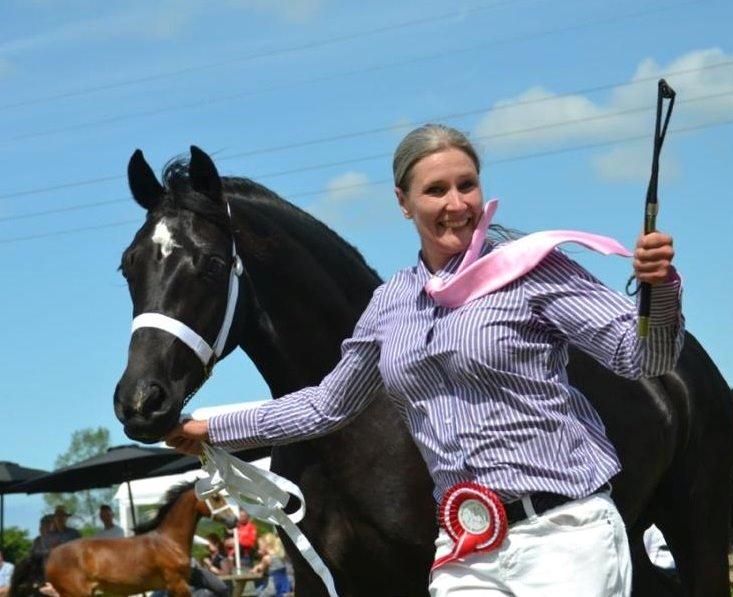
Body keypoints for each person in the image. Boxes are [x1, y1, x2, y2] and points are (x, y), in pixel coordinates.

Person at [165, 124, 683, 595]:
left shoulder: (533, 269)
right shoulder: (391, 304)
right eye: (436, 190)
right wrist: (212, 427)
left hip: (566, 535)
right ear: (403, 202)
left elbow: (644, 356)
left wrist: (659, 291)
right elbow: (327, 405)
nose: (456, 203)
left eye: (467, 185)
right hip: (465, 547)